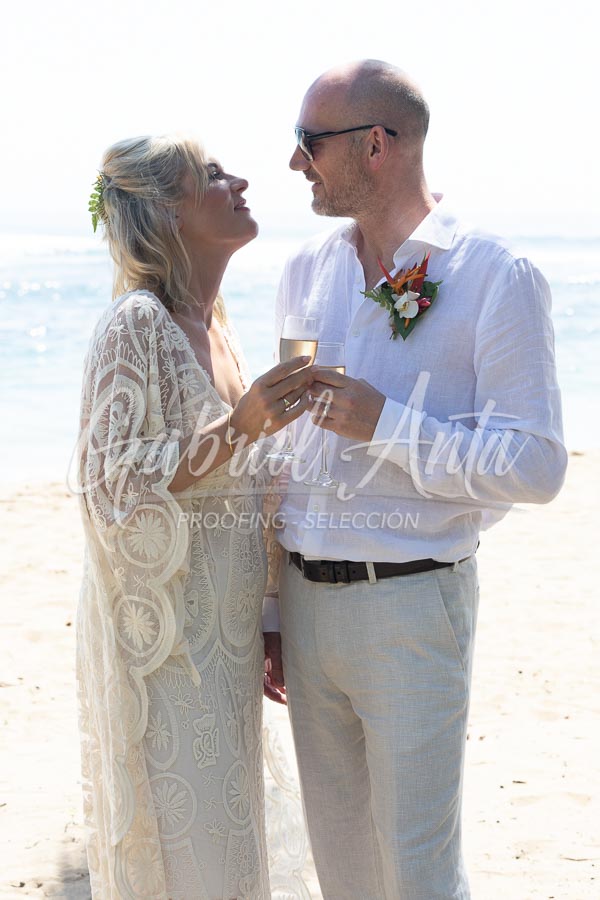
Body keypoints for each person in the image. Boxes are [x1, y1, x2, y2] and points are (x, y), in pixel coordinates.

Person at [262, 60, 568, 899]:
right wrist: (272, 610)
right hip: (306, 609)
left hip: (413, 604)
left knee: (419, 874)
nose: (294, 163)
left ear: (376, 144)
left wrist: (386, 424)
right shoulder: (304, 272)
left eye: (308, 142)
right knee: (345, 873)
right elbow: (288, 450)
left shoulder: (495, 276)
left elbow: (537, 465)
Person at [73, 135, 314, 899]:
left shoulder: (220, 328)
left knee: (234, 855)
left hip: (229, 649)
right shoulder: (135, 325)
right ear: (166, 212)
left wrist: (270, 615)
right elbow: (107, 483)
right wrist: (238, 427)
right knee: (191, 861)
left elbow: (247, 492)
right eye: (211, 175)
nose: (240, 180)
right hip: (169, 654)